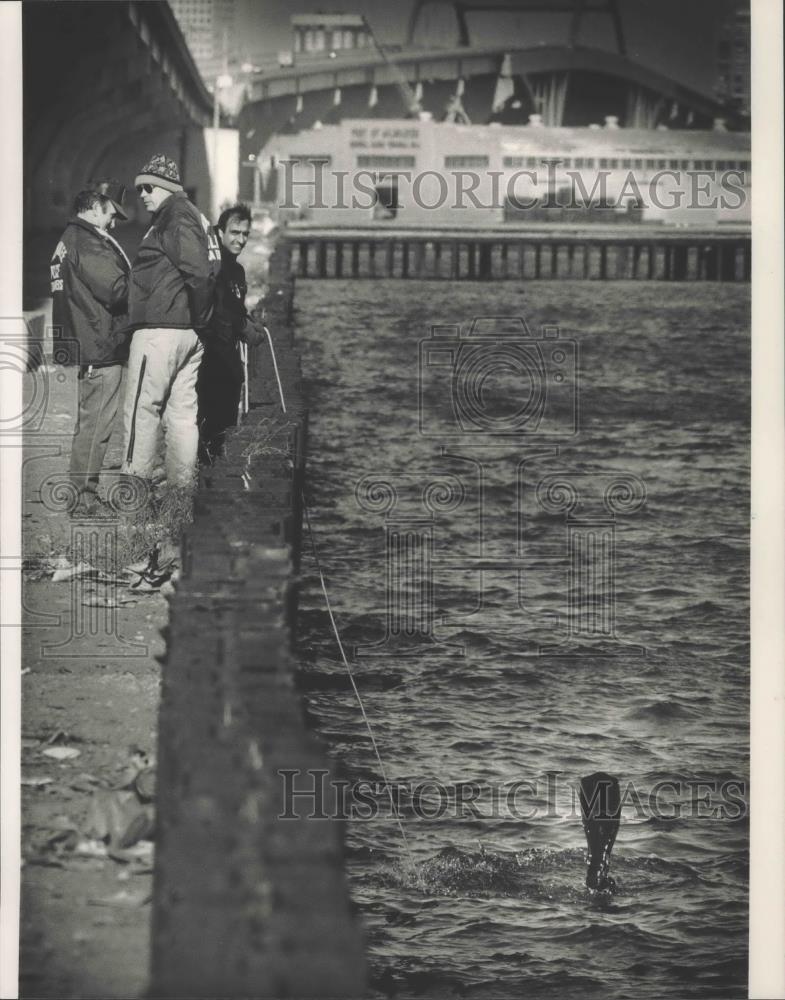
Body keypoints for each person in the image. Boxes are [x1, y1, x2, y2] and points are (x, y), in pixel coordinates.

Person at [122, 153, 221, 489]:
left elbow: (198, 274)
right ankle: (181, 497)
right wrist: (199, 323)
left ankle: (133, 500)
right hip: (185, 332)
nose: (143, 194)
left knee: (141, 412)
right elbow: (206, 271)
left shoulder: (174, 218)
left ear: (166, 187)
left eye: (148, 187)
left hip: (161, 331)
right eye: (140, 189)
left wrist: (201, 318)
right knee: (181, 416)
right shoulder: (191, 216)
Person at [50, 180, 131, 515]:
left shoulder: (68, 241)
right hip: (100, 343)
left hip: (84, 342)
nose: (113, 222)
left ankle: (79, 493)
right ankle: (84, 499)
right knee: (97, 425)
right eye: (111, 214)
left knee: (88, 423)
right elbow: (115, 290)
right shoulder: (88, 242)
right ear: (96, 207)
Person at [197, 203, 265, 463]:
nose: (240, 239)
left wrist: (247, 320)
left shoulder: (237, 270)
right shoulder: (213, 266)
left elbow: (235, 307)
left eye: (245, 234)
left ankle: (215, 465)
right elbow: (219, 309)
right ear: (221, 232)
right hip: (211, 357)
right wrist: (244, 327)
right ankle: (204, 473)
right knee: (209, 420)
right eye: (234, 233)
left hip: (228, 357)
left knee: (225, 421)